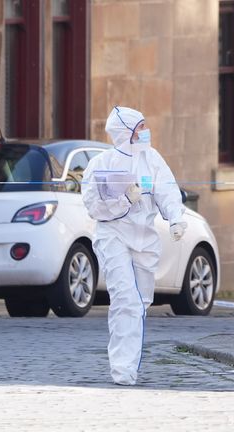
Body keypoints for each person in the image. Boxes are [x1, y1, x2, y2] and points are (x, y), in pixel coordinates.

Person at [82, 106, 187, 385]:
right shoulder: (101, 164)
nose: (145, 132)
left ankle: (129, 364)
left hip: (145, 239)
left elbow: (167, 190)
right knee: (124, 299)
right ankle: (122, 369)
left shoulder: (152, 159)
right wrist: (125, 199)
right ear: (126, 131)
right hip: (113, 236)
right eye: (140, 127)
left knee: (140, 304)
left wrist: (176, 218)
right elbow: (94, 207)